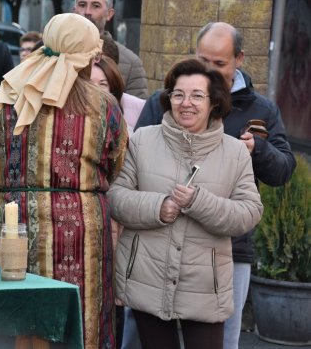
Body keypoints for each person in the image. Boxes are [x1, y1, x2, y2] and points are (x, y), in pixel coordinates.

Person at [0, 13, 128, 349]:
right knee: (83, 317)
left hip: (16, 225)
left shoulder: (4, 98)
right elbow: (116, 160)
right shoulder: (105, 105)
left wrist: (1, 195)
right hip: (84, 227)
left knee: (18, 316)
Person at [132, 22, 296, 349]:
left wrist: (257, 150)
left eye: (219, 64)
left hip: (227, 250)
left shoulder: (260, 109)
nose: (208, 71)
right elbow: (132, 165)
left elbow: (283, 170)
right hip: (157, 246)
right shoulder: (164, 100)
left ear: (239, 59)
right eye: (203, 60)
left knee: (222, 342)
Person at [109, 58, 263, 349]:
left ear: (214, 102)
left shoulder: (235, 152)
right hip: (148, 279)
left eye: (196, 95)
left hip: (206, 286)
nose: (185, 103)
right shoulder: (142, 140)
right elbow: (116, 198)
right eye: (178, 94)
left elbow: (250, 212)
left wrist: (198, 202)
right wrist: (158, 206)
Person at [74, 0, 148, 99]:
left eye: (96, 6)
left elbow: (135, 112)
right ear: (74, 11)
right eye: (82, 5)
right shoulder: (54, 52)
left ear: (109, 14)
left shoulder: (131, 63)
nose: (87, 11)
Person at [91, 55, 145, 134]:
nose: (95, 89)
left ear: (113, 88)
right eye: (89, 83)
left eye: (102, 84)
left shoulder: (126, 132)